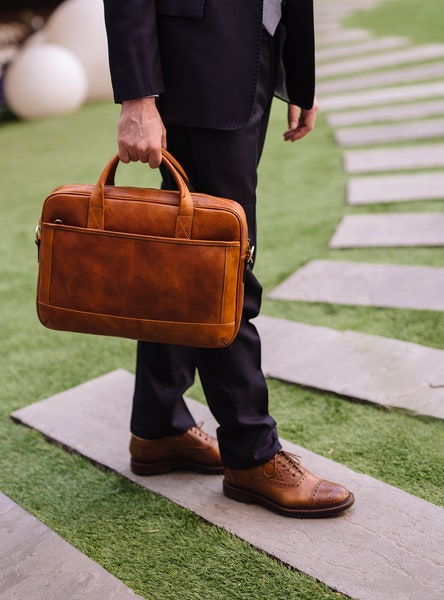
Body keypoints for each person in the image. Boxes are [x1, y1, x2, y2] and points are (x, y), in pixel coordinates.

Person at [102, 0, 354, 517]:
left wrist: (294, 72)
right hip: (193, 60)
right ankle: (252, 453)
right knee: (223, 261)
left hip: (252, 49)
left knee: (190, 255)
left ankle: (159, 424)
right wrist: (137, 96)